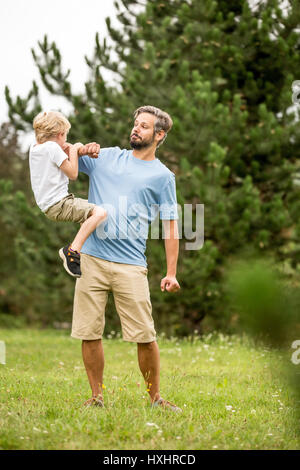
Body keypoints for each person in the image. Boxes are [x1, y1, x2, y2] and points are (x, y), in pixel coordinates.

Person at [72, 105, 182, 411]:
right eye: (135, 124)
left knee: (145, 335)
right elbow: (66, 159)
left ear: (159, 135)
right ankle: (96, 398)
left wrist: (171, 272)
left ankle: (155, 399)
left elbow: (171, 226)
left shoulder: (163, 177)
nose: (136, 129)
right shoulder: (105, 157)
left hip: (131, 265)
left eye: (144, 126)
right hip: (91, 258)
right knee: (89, 331)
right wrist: (82, 148)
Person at [29, 111, 107, 277]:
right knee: (100, 212)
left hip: (50, 206)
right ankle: (72, 251)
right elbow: (72, 174)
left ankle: (87, 255)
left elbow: (58, 154)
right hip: (60, 203)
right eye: (65, 136)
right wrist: (75, 148)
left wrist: (74, 150)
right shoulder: (52, 148)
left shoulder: (36, 149)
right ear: (60, 134)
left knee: (88, 214)